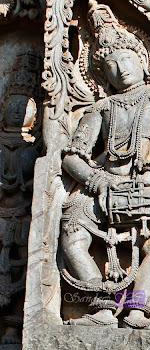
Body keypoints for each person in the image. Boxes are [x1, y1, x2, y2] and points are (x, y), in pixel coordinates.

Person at [60, 0, 150, 328]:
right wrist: (98, 181)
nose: (121, 67)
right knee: (70, 228)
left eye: (126, 58)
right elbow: (72, 154)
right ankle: (102, 306)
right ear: (102, 74)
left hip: (144, 182)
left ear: (142, 60)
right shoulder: (101, 108)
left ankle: (137, 306)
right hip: (104, 182)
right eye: (110, 64)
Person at [0, 52, 41, 344]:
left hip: (24, 217)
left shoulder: (35, 145)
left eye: (23, 106)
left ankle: (13, 330)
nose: (17, 111)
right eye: (12, 105)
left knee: (22, 271)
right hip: (1, 217)